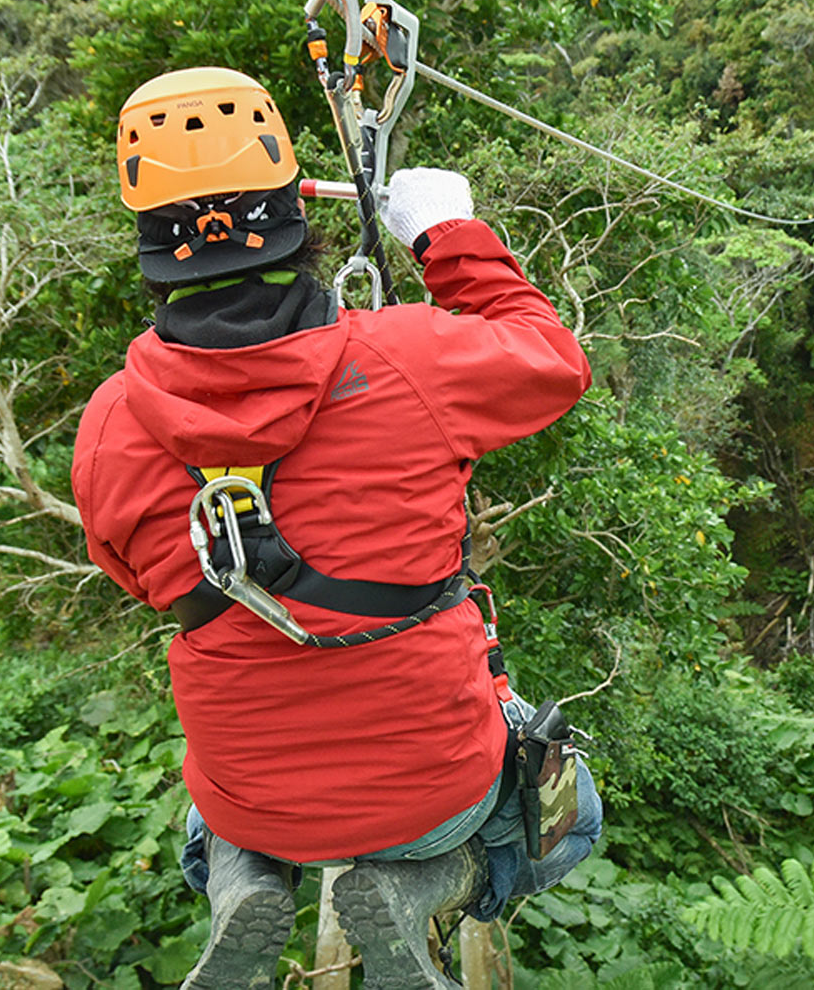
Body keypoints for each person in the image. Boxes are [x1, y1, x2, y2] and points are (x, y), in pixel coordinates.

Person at [73, 66, 602, 990]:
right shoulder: (410, 358)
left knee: (215, 799)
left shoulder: (113, 421)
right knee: (572, 813)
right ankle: (427, 884)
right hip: (429, 780)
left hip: (255, 792)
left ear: (152, 242)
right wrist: (449, 232)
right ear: (291, 207)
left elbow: (137, 575)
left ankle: (239, 880)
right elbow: (552, 360)